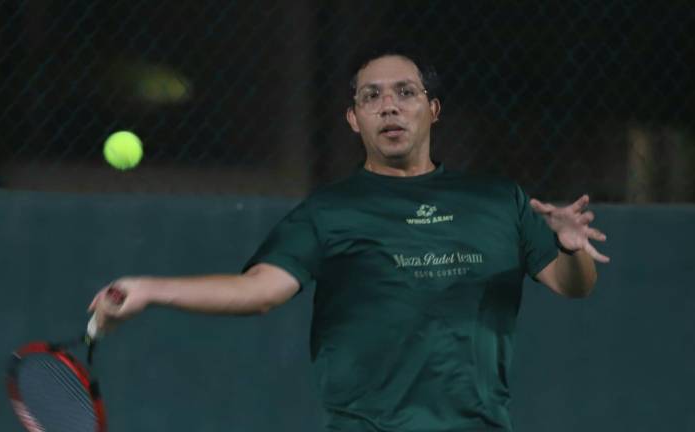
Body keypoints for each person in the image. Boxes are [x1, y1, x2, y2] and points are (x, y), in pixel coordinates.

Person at [89, 47, 610, 432]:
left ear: (433, 110)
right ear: (352, 118)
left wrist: (571, 248)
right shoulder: (329, 211)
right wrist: (151, 288)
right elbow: (259, 291)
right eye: (371, 96)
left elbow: (573, 285)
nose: (389, 106)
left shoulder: (499, 200)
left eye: (405, 93)